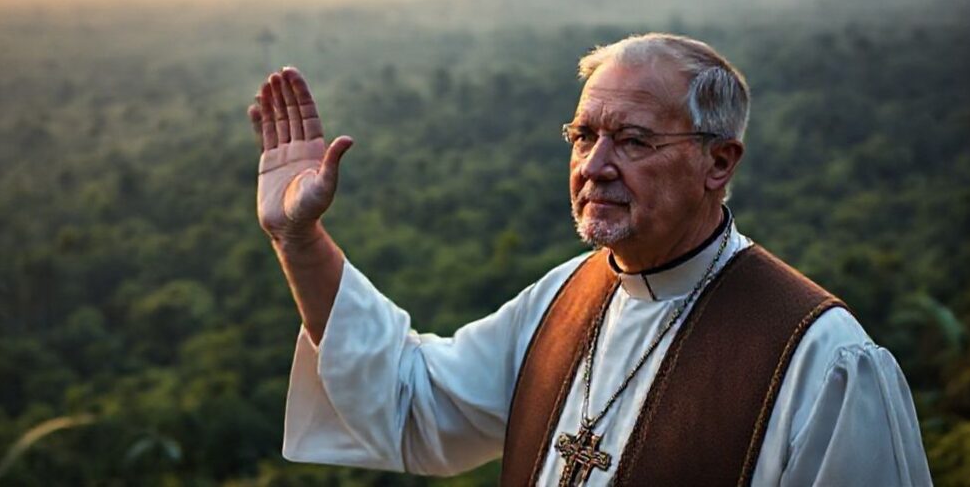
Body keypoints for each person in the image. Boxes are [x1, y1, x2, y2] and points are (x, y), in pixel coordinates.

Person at [245, 33, 932, 486]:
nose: (595, 166)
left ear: (718, 161)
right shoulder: (564, 299)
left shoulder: (822, 360)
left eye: (632, 140)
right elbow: (414, 405)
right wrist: (300, 241)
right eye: (584, 135)